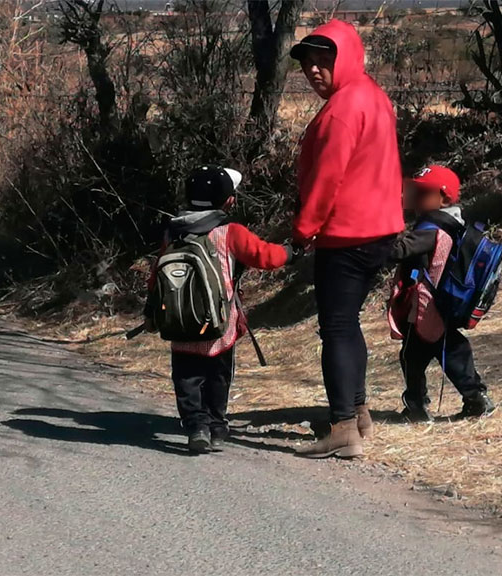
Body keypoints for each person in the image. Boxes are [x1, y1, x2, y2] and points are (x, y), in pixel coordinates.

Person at [289, 21, 405, 459]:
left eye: (324, 61)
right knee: (348, 323)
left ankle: (341, 428)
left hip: (346, 233)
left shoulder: (341, 109)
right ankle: (358, 414)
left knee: (336, 327)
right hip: (381, 228)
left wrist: (303, 230)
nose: (315, 70)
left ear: (347, 57)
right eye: (308, 64)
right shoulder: (373, 95)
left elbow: (327, 178)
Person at [145, 165, 295, 453]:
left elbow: (156, 275)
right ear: (228, 201)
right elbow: (267, 257)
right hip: (219, 325)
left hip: (180, 322)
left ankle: (196, 426)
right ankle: (216, 425)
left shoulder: (172, 231)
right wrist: (291, 251)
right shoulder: (231, 232)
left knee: (186, 377)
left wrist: (151, 312)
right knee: (218, 375)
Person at [387, 165, 496, 421]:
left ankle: (418, 405)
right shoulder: (452, 224)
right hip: (443, 304)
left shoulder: (431, 230)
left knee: (414, 357)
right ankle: (475, 399)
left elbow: (398, 251)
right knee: (450, 353)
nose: (415, 197)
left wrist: (381, 232)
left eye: (423, 193)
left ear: (444, 198)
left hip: (427, 308)